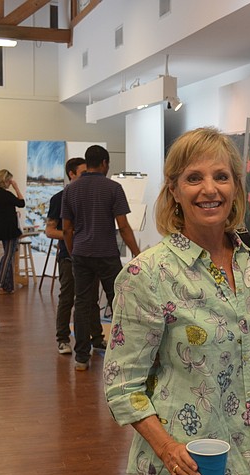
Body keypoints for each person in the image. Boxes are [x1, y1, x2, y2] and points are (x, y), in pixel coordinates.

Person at [103, 127, 250, 475]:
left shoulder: (249, 260)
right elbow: (122, 385)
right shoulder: (149, 274)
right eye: (194, 178)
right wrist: (168, 448)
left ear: (236, 187)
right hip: (172, 463)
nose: (209, 189)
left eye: (221, 176)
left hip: (239, 455)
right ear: (174, 190)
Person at [62, 145, 140, 371]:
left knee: (83, 303)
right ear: (105, 163)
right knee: (119, 302)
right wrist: (136, 253)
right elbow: (123, 226)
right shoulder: (113, 188)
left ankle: (81, 358)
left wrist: (72, 249)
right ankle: (123, 355)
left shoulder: (71, 190)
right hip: (107, 254)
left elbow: (67, 229)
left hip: (81, 253)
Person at [46, 157, 105, 354]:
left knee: (91, 300)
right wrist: (71, 235)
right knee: (68, 298)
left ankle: (97, 338)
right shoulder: (59, 198)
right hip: (69, 256)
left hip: (89, 255)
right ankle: (63, 339)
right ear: (72, 174)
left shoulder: (89, 198)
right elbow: (50, 230)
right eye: (82, 173)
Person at [0, 169, 25, 294]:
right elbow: (21, 203)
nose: (10, 183)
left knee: (8, 255)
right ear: (5, 180)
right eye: (9, 181)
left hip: (0, 227)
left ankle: (7, 286)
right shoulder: (6, 194)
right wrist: (16, 188)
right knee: (8, 256)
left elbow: (2, 210)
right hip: (10, 229)